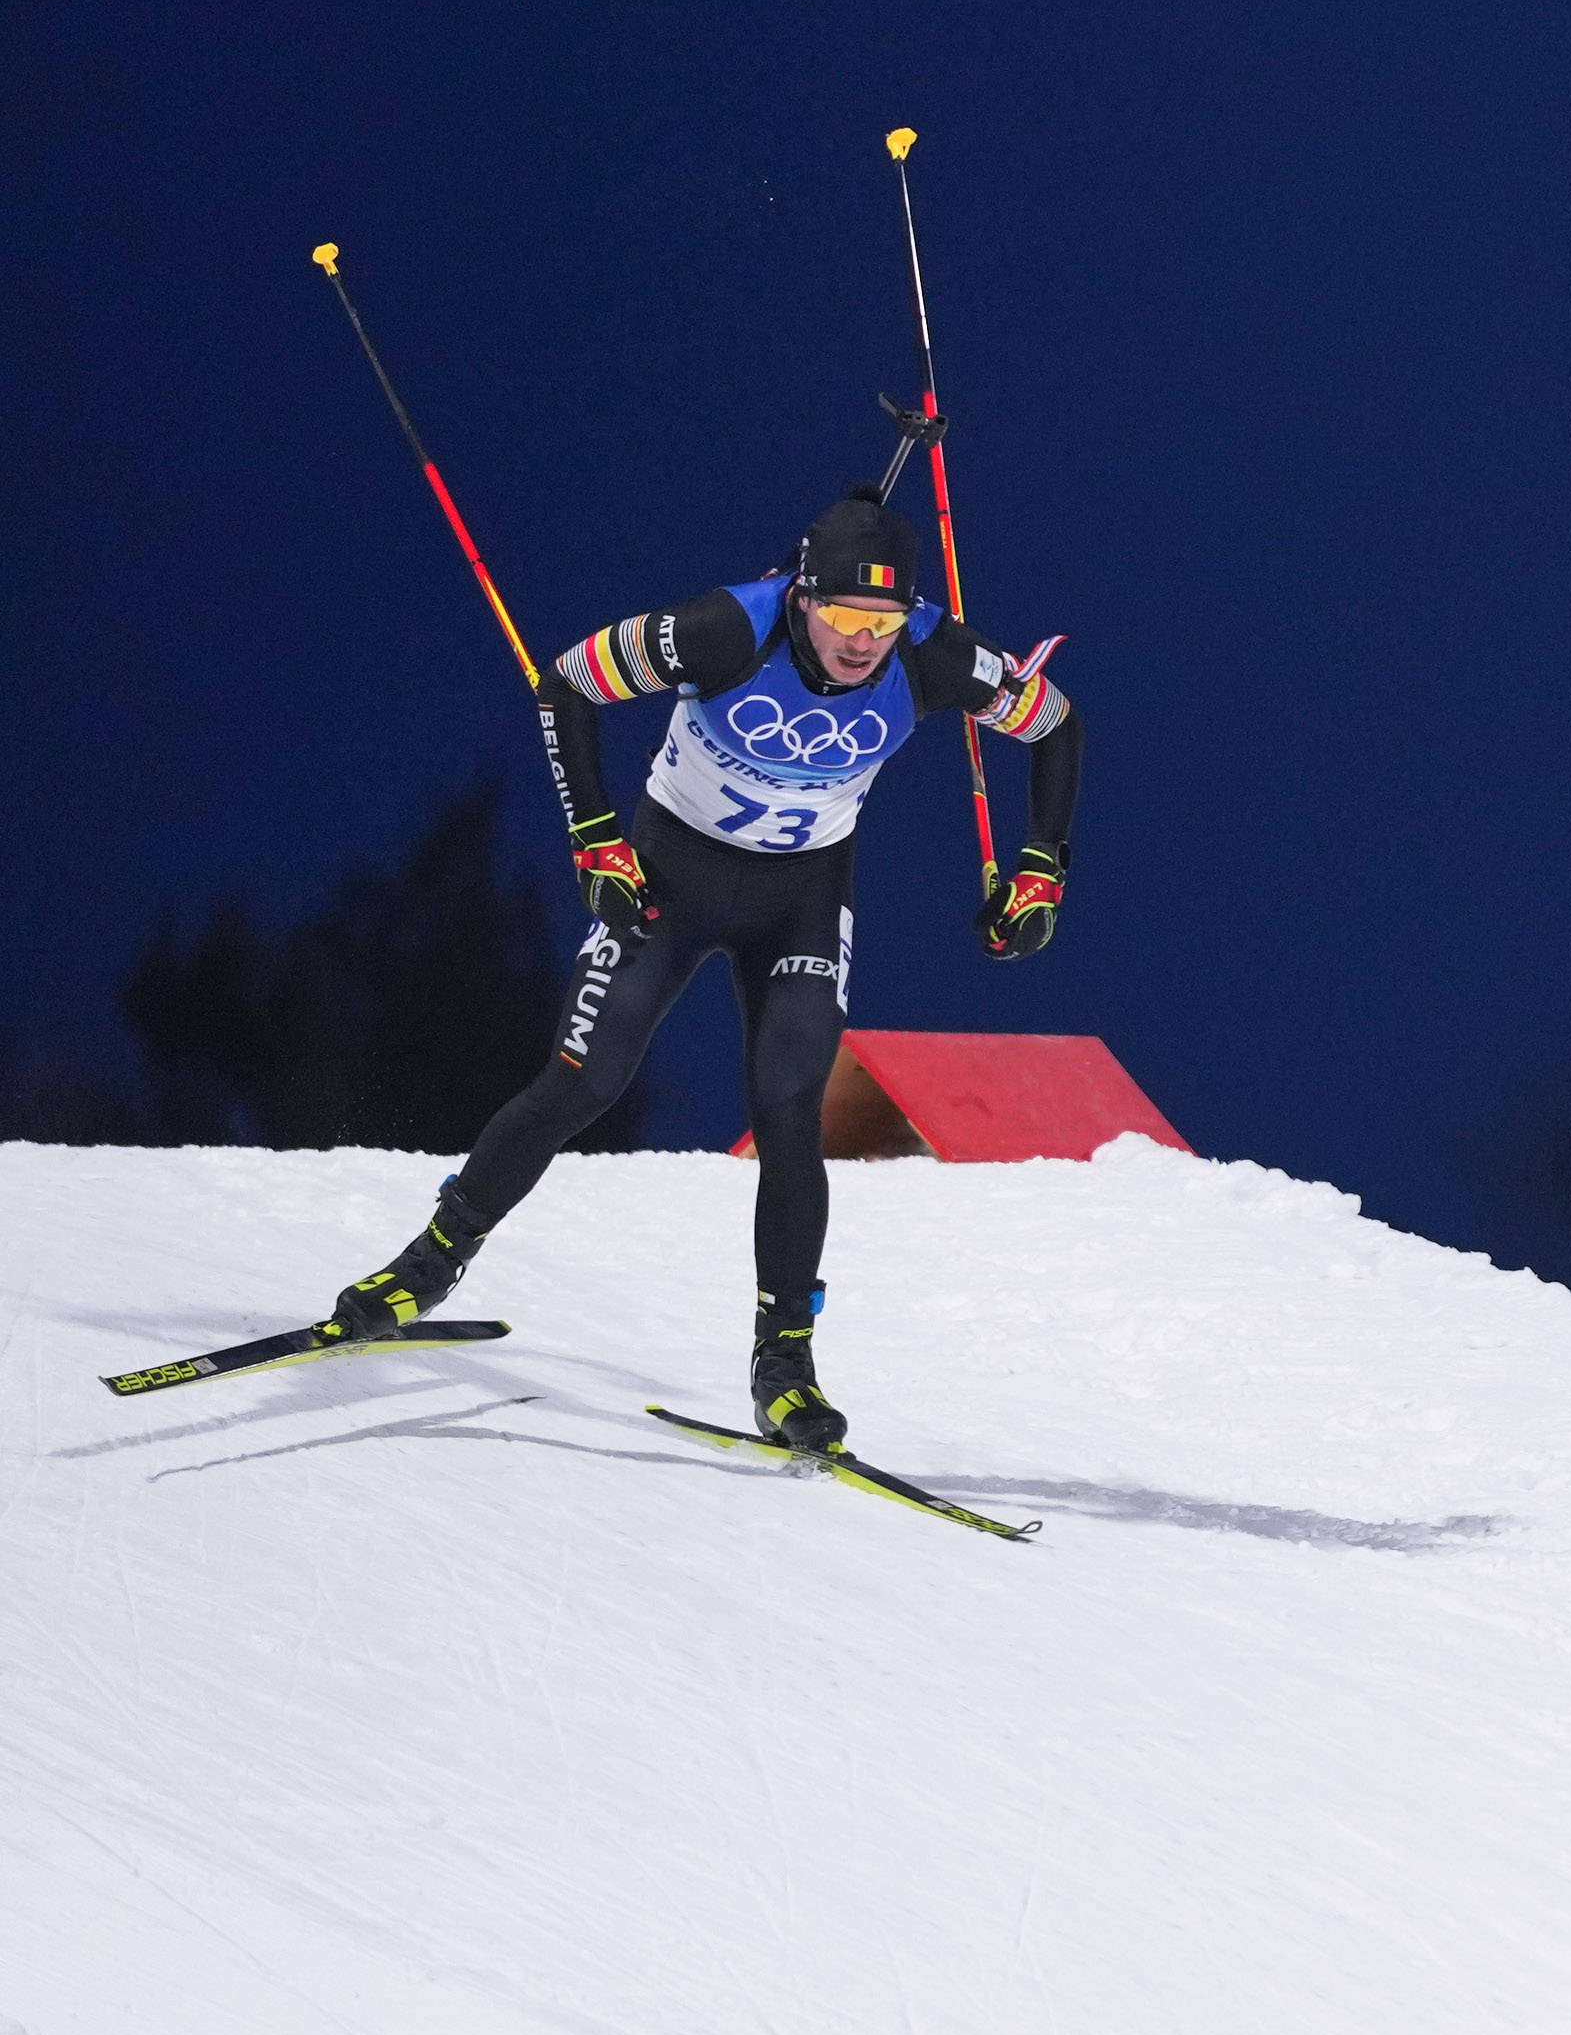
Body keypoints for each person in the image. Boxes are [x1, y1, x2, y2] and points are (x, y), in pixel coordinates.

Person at [329, 482, 1083, 1449]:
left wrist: (1039, 871)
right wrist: (596, 839)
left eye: (883, 621)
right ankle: (426, 1265)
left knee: (789, 1110)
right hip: (670, 876)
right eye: (845, 614)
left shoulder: (937, 654)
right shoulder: (725, 628)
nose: (863, 642)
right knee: (583, 1078)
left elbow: (1057, 722)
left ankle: (786, 1368)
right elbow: (566, 682)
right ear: (802, 595)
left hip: (803, 896)